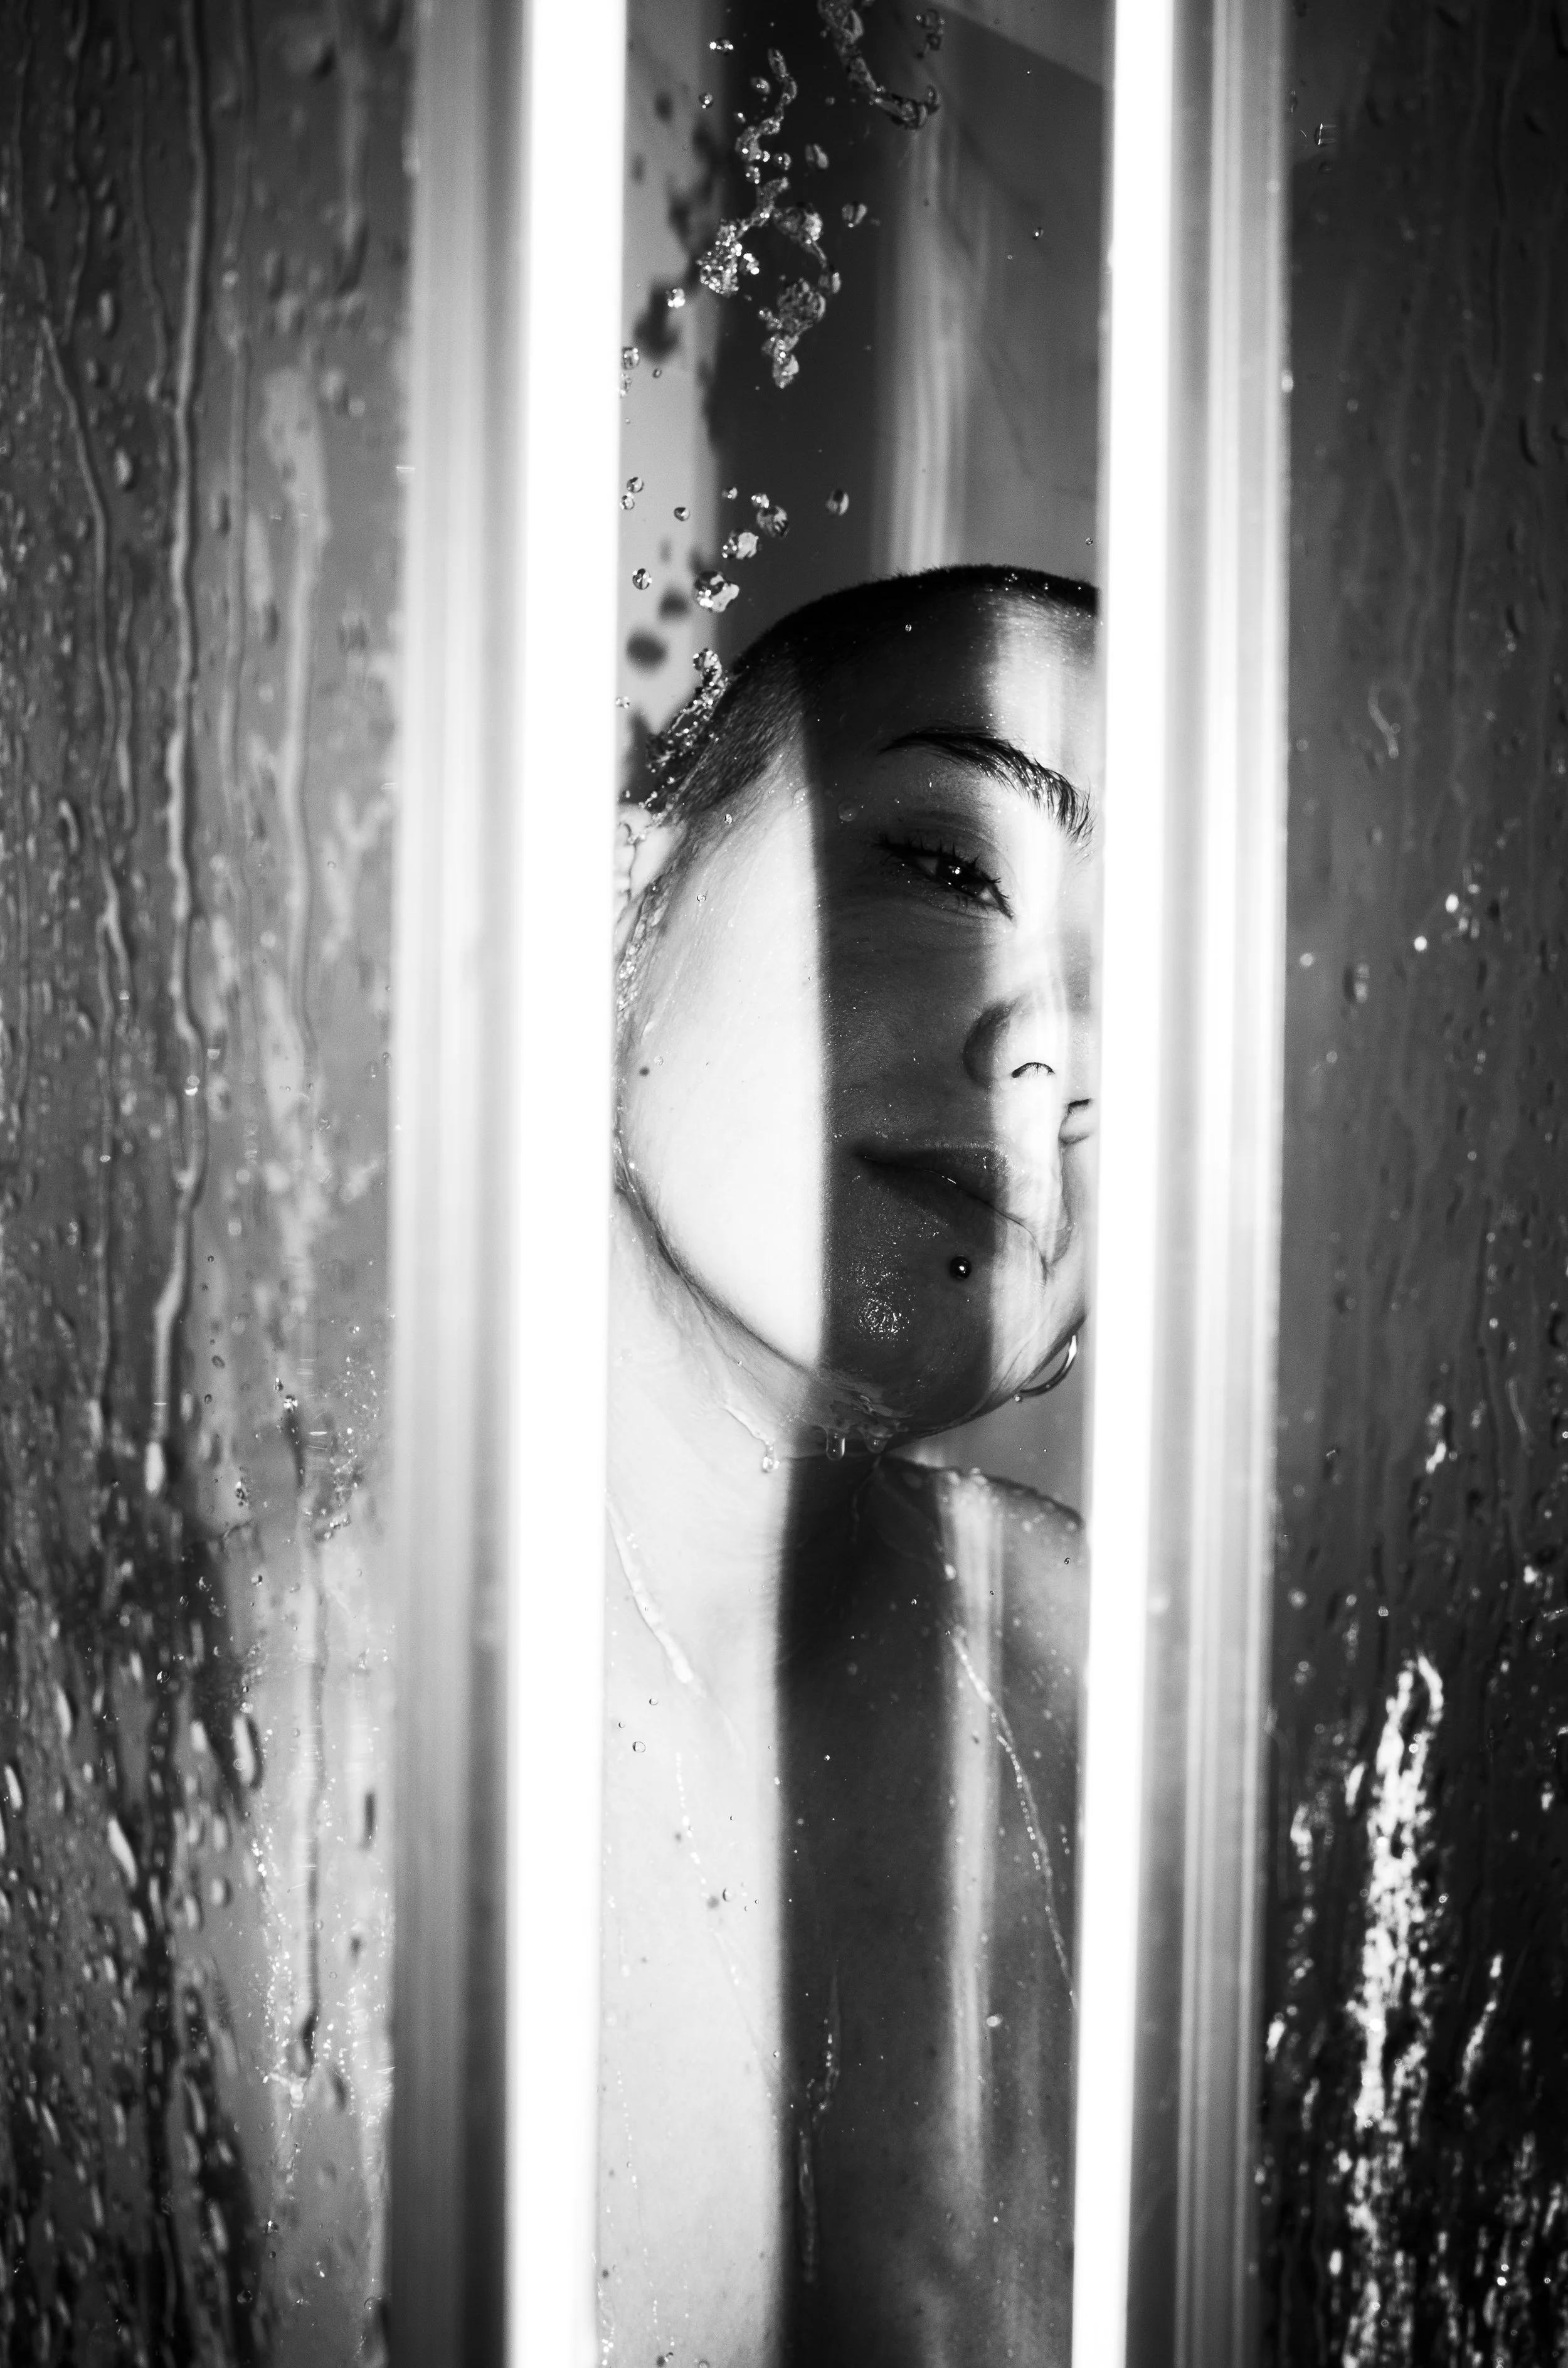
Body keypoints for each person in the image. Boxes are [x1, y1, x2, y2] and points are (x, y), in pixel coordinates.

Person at [599, 565, 1098, 2367]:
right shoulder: (189, 1760)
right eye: (957, 870)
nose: (1059, 1053)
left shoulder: (1148, 1723)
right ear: (618, 903)